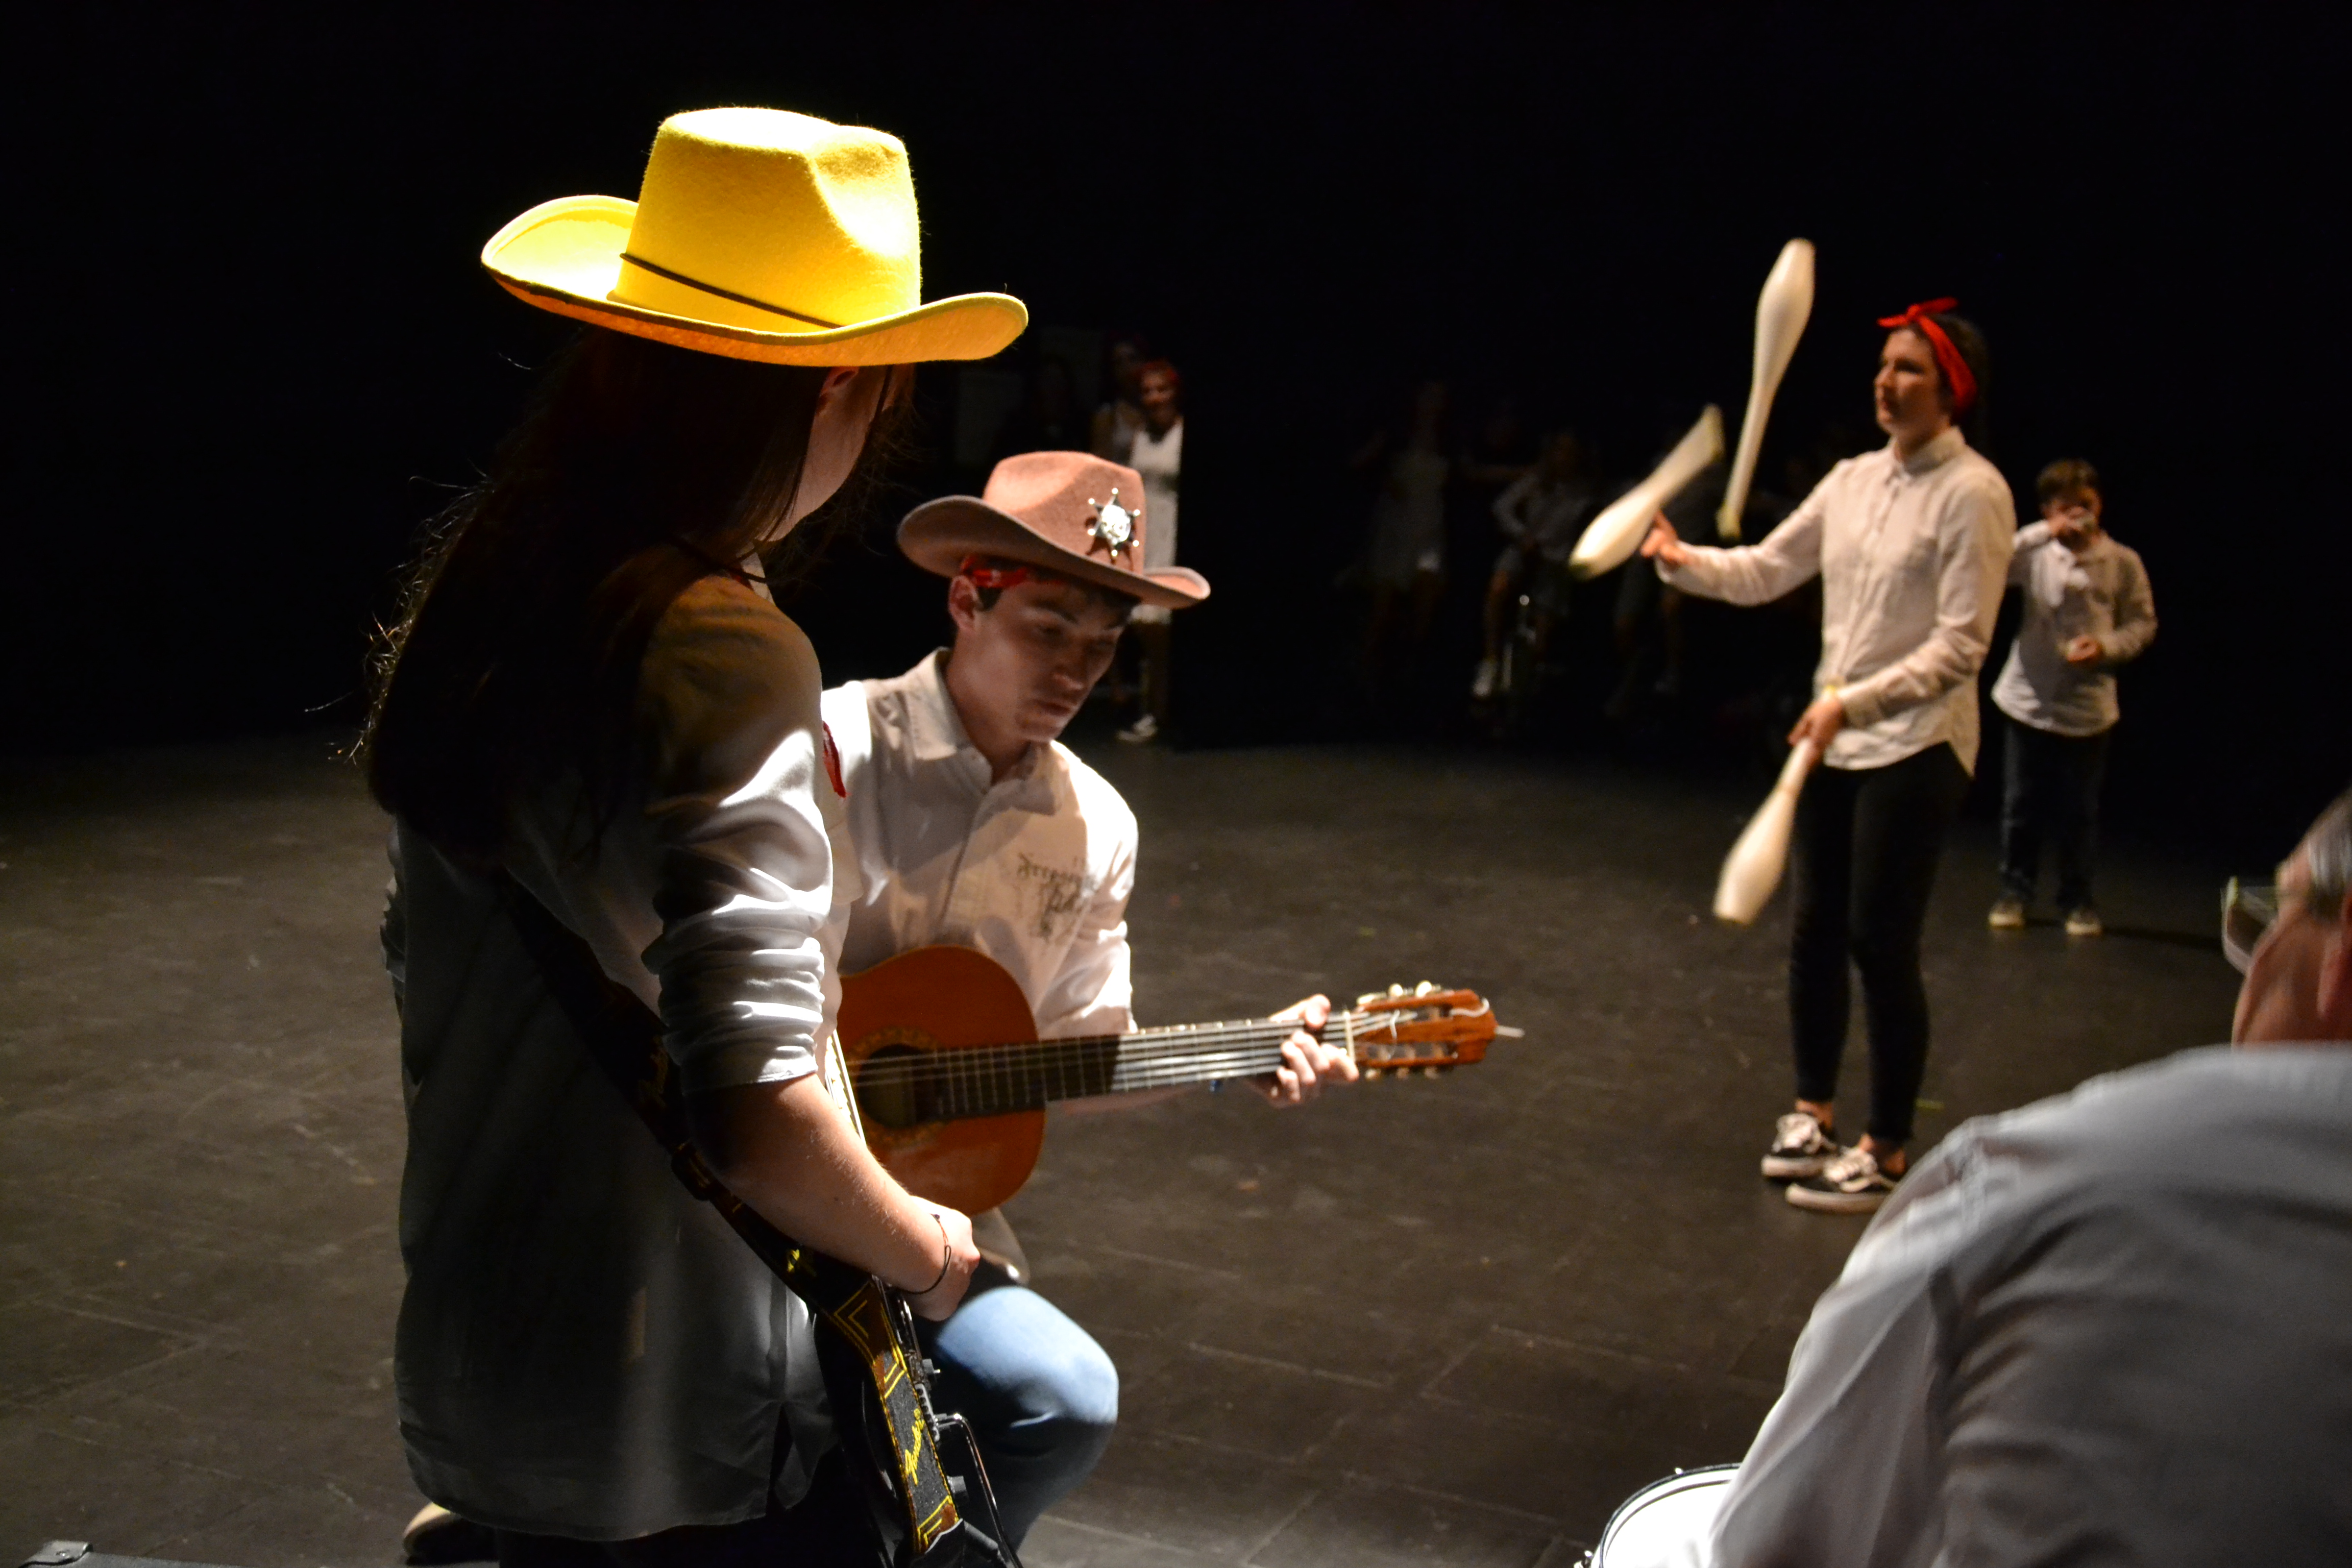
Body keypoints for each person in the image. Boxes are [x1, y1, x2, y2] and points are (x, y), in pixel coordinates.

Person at [366, 108, 1030, 1564]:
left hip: (491, 1338)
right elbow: (759, 1112)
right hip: (658, 1397)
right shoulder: (715, 647)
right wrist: (930, 1254)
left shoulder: (498, 584)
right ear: (841, 383)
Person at [824, 450, 1355, 1544]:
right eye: (1049, 630)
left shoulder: (1096, 824)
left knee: (1065, 1400)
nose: (1076, 672)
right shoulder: (838, 747)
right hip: (767, 1185)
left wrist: (1238, 1054)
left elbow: (1080, 1048)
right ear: (967, 599)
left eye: (1104, 645)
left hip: (928, 1214)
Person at [1710, 791, 2352, 1566]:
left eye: (2276, 915)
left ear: (2344, 950)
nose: (2257, 955)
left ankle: (1882, 1144)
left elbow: (1779, 1542)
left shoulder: (2040, 1187)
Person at [1643, 299, 2015, 1214]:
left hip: (1918, 741)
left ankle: (1885, 1149)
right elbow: (1768, 567)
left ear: (1952, 391)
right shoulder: (1850, 480)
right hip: (1834, 737)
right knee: (1814, 933)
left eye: (1908, 369)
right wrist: (1683, 560)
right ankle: (1811, 1113)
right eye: (1883, 365)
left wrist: (1852, 701)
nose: (1885, 382)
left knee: (1879, 942)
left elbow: (1961, 646)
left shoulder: (1975, 493)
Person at [1986, 457, 2157, 937]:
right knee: (2020, 805)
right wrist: (2045, 532)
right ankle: (2015, 892)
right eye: (2066, 508)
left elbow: (2142, 623)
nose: (2079, 517)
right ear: (2049, 511)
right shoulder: (2036, 554)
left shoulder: (2122, 562)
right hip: (2027, 699)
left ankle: (2077, 900)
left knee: (2078, 812)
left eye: (2086, 505)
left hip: (2087, 708)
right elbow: (1992, 562)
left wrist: (2105, 648)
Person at [1472, 429, 1596, 701]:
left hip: (1555, 560)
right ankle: (1491, 661)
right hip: (1524, 550)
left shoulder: (1585, 491)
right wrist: (1521, 534)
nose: (1565, 457)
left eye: (1571, 451)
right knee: (1499, 587)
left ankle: (1530, 683)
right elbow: (1502, 507)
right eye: (1560, 450)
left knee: (1542, 632)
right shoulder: (1538, 480)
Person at [1354, 379, 1454, 692]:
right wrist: (1383, 475)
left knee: (1425, 606)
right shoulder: (1396, 436)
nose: (1432, 404)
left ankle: (1409, 679)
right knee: (1382, 609)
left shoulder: (1449, 441)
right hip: (1397, 526)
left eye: (1439, 398)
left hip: (1430, 527)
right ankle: (1365, 679)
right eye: (1428, 396)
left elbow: (1470, 473)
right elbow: (1361, 464)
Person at [1118, 359, 1184, 743]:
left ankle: (1163, 712)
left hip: (1173, 531)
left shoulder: (1183, 433)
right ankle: (1154, 709)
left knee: (1164, 625)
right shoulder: (1142, 435)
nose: (1155, 397)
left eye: (1162, 389)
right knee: (1144, 624)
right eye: (1148, 391)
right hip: (1145, 531)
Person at [1089, 332, 1149, 461]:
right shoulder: (1108, 416)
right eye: (1119, 363)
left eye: (1132, 359)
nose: (1126, 367)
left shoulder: (1158, 409)